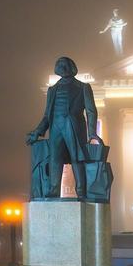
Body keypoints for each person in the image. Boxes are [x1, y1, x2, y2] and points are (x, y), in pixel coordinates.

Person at [26, 57, 101, 198]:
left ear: (72, 68)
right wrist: (37, 132)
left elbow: (91, 111)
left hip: (74, 125)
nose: (63, 68)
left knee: (77, 158)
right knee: (55, 159)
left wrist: (92, 133)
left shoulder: (83, 87)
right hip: (56, 127)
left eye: (66, 65)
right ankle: (54, 190)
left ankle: (81, 191)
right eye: (60, 65)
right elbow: (47, 115)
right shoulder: (52, 89)